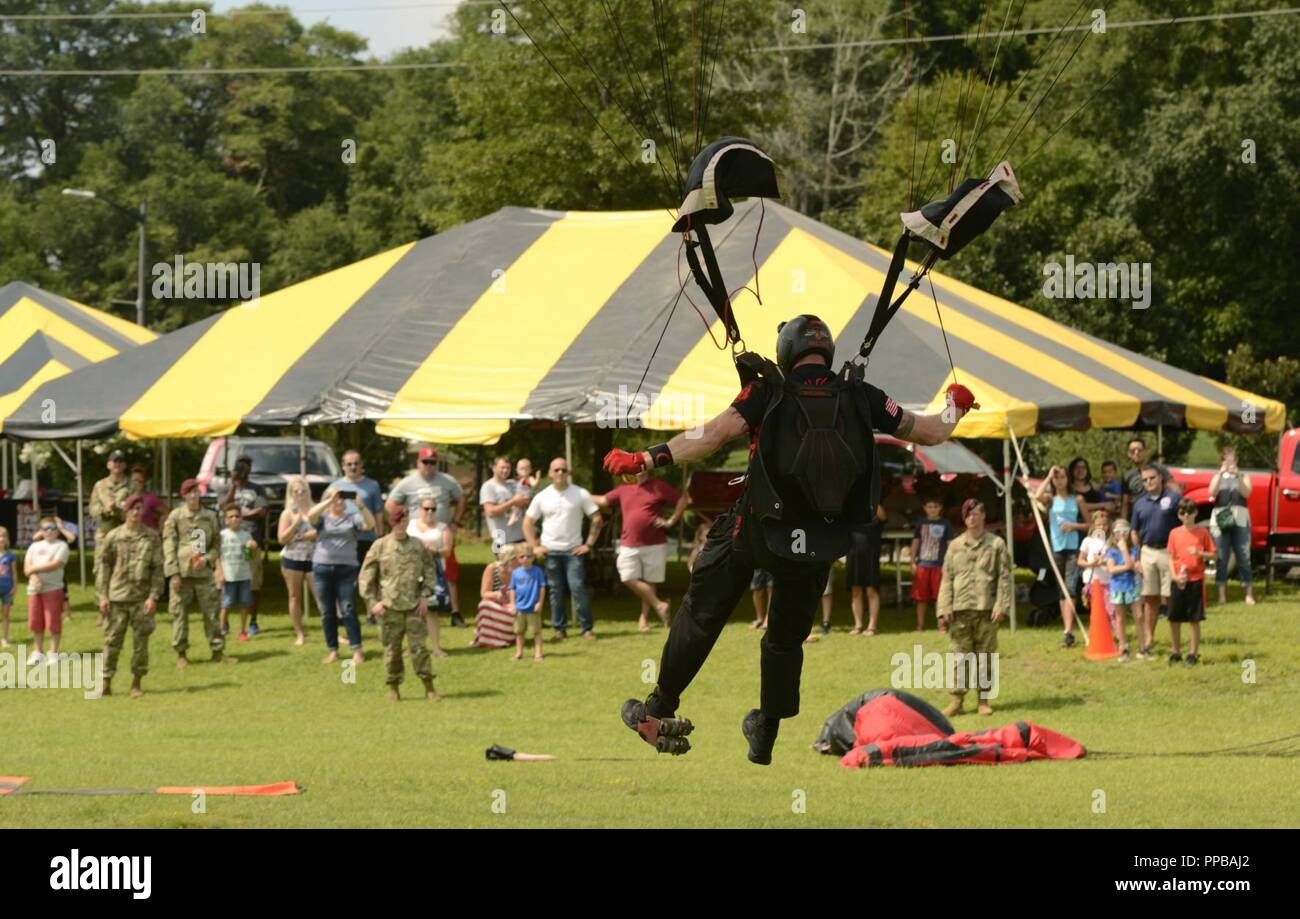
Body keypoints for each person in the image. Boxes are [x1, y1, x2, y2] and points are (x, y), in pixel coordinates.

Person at [611, 314, 974, 763]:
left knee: (702, 612)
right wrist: (957, 402)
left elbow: (716, 434)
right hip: (819, 539)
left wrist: (648, 457)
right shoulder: (860, 394)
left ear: (786, 350)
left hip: (756, 528)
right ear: (827, 350)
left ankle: (659, 707)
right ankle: (766, 727)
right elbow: (933, 431)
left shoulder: (766, 390)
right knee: (785, 638)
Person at [937, 499, 1012, 717]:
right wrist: (944, 607)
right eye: (969, 514)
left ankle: (983, 699)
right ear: (964, 518)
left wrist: (1001, 605)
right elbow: (947, 579)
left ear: (984, 516)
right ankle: (956, 700)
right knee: (959, 655)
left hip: (986, 609)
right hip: (960, 609)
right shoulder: (955, 546)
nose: (973, 518)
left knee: (985, 656)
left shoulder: (996, 544)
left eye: (977, 513)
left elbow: (1004, 578)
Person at [360, 505, 440, 701]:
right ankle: (393, 687)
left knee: (420, 649)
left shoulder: (417, 545)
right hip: (389, 608)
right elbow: (365, 577)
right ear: (391, 522)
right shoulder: (380, 546)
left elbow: (430, 571)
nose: (401, 525)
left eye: (404, 521)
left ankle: (429, 687)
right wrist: (373, 603)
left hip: (414, 607)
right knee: (392, 651)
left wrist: (425, 595)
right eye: (397, 521)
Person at [593, 468, 687, 632]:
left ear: (647, 469)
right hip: (628, 543)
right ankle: (660, 605)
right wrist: (577, 493)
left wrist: (671, 521)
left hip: (655, 543)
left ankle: (643, 619)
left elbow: (683, 499)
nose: (638, 470)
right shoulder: (623, 488)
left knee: (650, 581)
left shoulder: (658, 486)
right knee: (626, 576)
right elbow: (602, 500)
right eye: (634, 467)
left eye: (642, 466)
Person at [523, 458, 603, 641]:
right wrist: (535, 546)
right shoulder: (542, 496)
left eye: (563, 470)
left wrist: (588, 545)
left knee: (578, 588)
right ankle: (559, 630)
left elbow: (597, 519)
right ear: (550, 473)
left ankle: (586, 629)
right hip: (550, 551)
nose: (560, 473)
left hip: (573, 551)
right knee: (555, 591)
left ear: (569, 473)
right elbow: (527, 522)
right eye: (556, 470)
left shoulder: (580, 494)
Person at [386, 447, 467, 626]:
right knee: (410, 573)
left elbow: (461, 499)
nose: (429, 466)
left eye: (433, 462)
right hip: (414, 534)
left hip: (441, 532)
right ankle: (409, 607)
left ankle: (455, 612)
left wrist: (455, 523)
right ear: (418, 463)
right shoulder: (407, 483)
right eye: (425, 462)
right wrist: (401, 523)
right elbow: (390, 503)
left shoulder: (448, 481)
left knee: (449, 573)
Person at [96, 496, 164, 697]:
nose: (136, 512)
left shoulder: (151, 537)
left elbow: (157, 570)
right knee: (112, 642)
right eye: (132, 509)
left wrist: (153, 597)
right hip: (117, 598)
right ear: (125, 512)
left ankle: (136, 683)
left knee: (141, 643)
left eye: (139, 508)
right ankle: (106, 682)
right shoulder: (114, 536)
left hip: (141, 599)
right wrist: (102, 596)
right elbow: (104, 568)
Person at [163, 479, 231, 666]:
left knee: (211, 612)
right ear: (184, 496)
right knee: (179, 613)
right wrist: (173, 573)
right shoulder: (175, 516)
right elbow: (168, 545)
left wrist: (207, 559)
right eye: (189, 492)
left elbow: (217, 544)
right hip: (182, 573)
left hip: (203, 573)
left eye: (196, 492)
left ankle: (217, 651)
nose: (193, 496)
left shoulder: (209, 516)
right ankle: (181, 654)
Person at [310, 486, 375, 664]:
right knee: (326, 612)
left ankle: (357, 650)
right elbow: (310, 516)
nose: (339, 500)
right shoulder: (322, 518)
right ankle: (333, 650)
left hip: (346, 570)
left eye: (341, 497)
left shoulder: (352, 518)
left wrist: (361, 506)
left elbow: (370, 525)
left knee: (348, 609)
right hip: (322, 569)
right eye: (336, 497)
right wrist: (329, 501)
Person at [1130, 463, 1182, 659]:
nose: (1148, 482)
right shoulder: (1140, 503)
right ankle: (1148, 640)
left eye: (1152, 478)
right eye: (1145, 480)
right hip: (1147, 552)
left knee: (1170, 599)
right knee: (1150, 598)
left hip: (1169, 552)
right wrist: (1137, 556)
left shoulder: (1173, 498)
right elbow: (1134, 531)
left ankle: (1175, 644)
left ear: (1160, 478)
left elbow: (1182, 526)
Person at [1035, 465, 1087, 647]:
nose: (1059, 480)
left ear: (1068, 479)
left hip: (1073, 548)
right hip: (1056, 548)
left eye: (1062, 477)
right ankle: (1067, 631)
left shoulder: (1077, 499)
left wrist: (1074, 526)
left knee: (1070, 587)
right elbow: (1036, 496)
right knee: (1061, 589)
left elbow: (1089, 524)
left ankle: (1069, 629)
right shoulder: (1050, 499)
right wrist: (1048, 476)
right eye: (1056, 478)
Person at [219, 455, 268, 636]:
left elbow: (262, 510)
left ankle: (252, 622)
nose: (243, 470)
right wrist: (233, 484)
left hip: (250, 542)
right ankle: (224, 625)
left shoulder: (257, 489)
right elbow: (224, 507)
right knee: (226, 584)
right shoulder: (226, 487)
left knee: (253, 584)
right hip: (229, 544)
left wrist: (240, 518)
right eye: (240, 467)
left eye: (246, 467)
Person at [1167, 498, 1215, 666]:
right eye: (1182, 513)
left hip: (1195, 579)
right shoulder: (1174, 533)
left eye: (1189, 512)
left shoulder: (1202, 533)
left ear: (1195, 513)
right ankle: (1176, 651)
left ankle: (1193, 653)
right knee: (1174, 617)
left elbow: (1214, 555)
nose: (1186, 516)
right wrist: (1174, 576)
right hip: (1179, 579)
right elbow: (1170, 557)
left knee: (1194, 618)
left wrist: (1200, 553)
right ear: (1179, 515)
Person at [1208, 445, 1255, 606]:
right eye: (1226, 458)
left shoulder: (1244, 476)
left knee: (1243, 556)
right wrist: (1221, 474)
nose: (1229, 461)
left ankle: (1248, 593)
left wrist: (1238, 476)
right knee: (1222, 557)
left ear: (1236, 460)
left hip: (1241, 519)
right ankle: (1222, 593)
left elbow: (1246, 493)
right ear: (1222, 460)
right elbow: (1212, 492)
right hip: (1221, 519)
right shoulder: (1217, 476)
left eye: (1232, 458)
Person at [89, 449, 130, 619]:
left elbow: (134, 508)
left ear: (124, 465)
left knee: (123, 568)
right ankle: (102, 609)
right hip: (105, 533)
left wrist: (118, 508)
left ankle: (123, 607)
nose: (117, 464)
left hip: (123, 533)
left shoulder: (131, 485)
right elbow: (92, 509)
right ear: (108, 464)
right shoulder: (100, 485)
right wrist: (105, 509)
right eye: (114, 461)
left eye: (120, 461)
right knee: (101, 569)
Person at [407, 498, 451, 657]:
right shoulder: (410, 525)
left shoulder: (442, 528)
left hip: (433, 573)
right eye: (426, 508)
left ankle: (435, 647)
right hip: (411, 571)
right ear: (420, 509)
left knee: (431, 610)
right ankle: (412, 646)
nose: (430, 512)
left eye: (433, 509)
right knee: (411, 610)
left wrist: (434, 550)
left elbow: (447, 551)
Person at [24, 517, 70, 665]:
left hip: (53, 588)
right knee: (36, 622)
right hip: (34, 590)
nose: (49, 531)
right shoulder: (33, 547)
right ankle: (38, 652)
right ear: (41, 531)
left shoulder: (62, 546)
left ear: (57, 531)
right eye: (46, 529)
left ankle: (53, 653)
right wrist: (34, 577)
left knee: (53, 622)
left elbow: (55, 564)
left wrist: (34, 570)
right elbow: (27, 567)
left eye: (52, 528)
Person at [278, 476, 318, 646]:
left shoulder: (315, 510)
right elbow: (282, 538)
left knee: (321, 596)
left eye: (303, 490)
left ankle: (333, 633)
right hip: (292, 559)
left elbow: (321, 531)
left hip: (314, 559)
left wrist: (299, 536)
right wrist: (295, 523)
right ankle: (299, 634)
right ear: (291, 494)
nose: (300, 494)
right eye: (296, 491)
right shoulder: (287, 513)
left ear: (308, 491)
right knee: (294, 597)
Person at [910, 497, 956, 633]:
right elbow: (916, 542)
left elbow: (950, 545)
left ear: (940, 508)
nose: (932, 510)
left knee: (940, 597)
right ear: (924, 508)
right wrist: (912, 561)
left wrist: (950, 563)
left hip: (939, 565)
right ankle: (920, 625)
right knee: (921, 598)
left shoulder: (945, 524)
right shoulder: (920, 523)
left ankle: (941, 625)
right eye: (929, 507)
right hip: (922, 565)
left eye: (935, 507)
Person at [216, 507, 258, 642]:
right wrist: (220, 573)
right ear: (226, 520)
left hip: (244, 575)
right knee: (226, 605)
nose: (234, 518)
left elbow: (250, 557)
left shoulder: (246, 535)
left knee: (245, 604)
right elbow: (217, 557)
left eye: (237, 516)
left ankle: (243, 631)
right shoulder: (222, 535)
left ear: (241, 519)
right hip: (228, 576)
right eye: (231, 516)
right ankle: (221, 631)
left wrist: (252, 548)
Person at [847, 508, 886, 636]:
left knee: (871, 591)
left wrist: (871, 495)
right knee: (856, 591)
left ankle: (872, 626)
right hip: (853, 556)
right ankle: (858, 625)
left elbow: (883, 515)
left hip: (871, 557)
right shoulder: (851, 520)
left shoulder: (876, 520)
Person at [1104, 520, 1139, 661]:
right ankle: (1123, 646)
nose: (1121, 534)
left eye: (1124, 531)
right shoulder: (1111, 550)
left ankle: (1142, 646)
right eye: (1118, 532)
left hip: (1131, 586)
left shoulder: (1133, 548)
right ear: (1113, 534)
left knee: (1138, 616)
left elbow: (1131, 563)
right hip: (1117, 587)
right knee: (1120, 618)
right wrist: (1127, 566)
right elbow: (1111, 569)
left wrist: (1124, 549)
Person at [481, 456, 529, 555]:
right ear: (494, 468)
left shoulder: (514, 484)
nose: (505, 470)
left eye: (508, 468)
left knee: (524, 568)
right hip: (500, 539)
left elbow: (526, 499)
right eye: (502, 467)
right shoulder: (488, 486)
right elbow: (490, 512)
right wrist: (513, 502)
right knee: (503, 568)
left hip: (520, 536)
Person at [474, 545, 520, 649]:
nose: (520, 560)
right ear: (510, 560)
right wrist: (497, 595)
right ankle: (488, 639)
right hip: (496, 603)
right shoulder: (492, 569)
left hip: (513, 604)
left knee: (516, 609)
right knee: (484, 604)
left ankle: (506, 638)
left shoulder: (521, 571)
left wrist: (513, 597)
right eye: (517, 558)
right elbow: (484, 593)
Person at [509, 544, 547, 662]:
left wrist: (540, 603)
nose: (525, 558)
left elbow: (542, 588)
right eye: (522, 556)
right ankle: (519, 653)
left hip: (532, 607)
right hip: (519, 608)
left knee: (536, 632)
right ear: (517, 558)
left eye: (528, 556)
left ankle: (538, 654)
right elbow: (512, 589)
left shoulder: (538, 571)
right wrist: (513, 604)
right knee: (519, 632)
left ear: (533, 557)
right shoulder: (515, 573)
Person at [1121, 438, 1177, 519]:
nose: (1136, 453)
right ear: (1128, 454)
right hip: (1138, 517)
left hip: (1158, 515)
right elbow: (1125, 503)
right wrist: (1123, 523)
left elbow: (1175, 489)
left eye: (1139, 450)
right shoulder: (1127, 475)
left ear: (1145, 451)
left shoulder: (1158, 468)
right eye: (1133, 451)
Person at [1077, 508, 1112, 624]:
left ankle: (1111, 633)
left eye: (1104, 525)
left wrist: (1104, 561)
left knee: (1110, 609)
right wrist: (1090, 564)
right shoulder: (1087, 541)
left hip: (1107, 580)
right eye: (1099, 525)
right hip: (1092, 581)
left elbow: (1114, 559)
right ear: (1093, 526)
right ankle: (1098, 634)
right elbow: (1080, 561)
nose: (1102, 527)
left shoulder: (1110, 542)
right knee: (1096, 610)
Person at [130, 465, 167, 531]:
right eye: (135, 480)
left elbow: (168, 513)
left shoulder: (151, 499)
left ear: (144, 481)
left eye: (140, 480)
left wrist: (161, 526)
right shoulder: (128, 499)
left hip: (148, 538)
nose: (137, 482)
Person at [0, 526, 14, 649]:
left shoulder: (10, 555)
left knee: (5, 615)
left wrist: (14, 588)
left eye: (4, 536)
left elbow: (14, 573)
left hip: (7, 590)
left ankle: (5, 639)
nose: (1, 538)